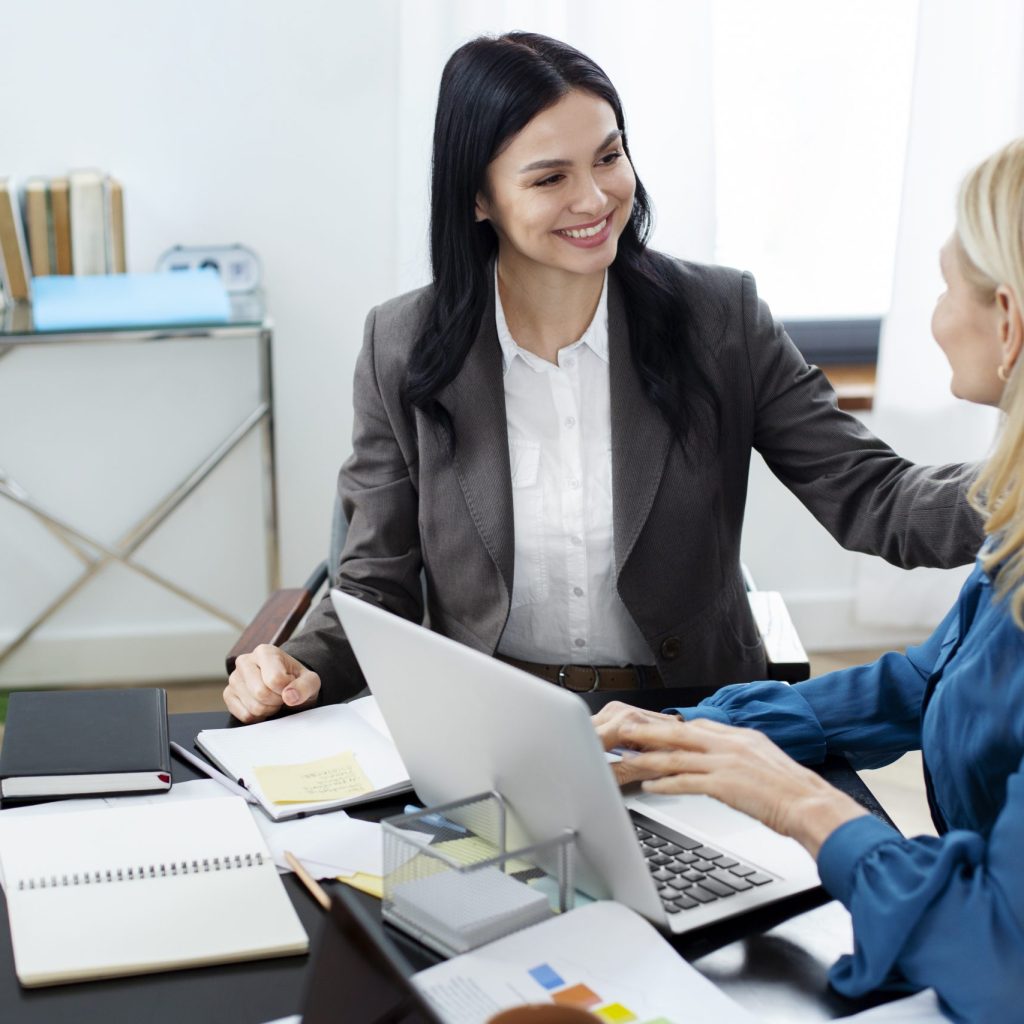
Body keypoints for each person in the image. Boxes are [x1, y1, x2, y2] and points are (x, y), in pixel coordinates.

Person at [224, 32, 980, 724]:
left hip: (694, 717)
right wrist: (297, 666)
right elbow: (374, 587)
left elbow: (874, 497)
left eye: (609, 157)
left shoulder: (719, 318)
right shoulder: (402, 343)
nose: (595, 199)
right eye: (551, 177)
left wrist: (1012, 489)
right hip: (493, 722)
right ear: (479, 198)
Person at [593, 138, 1024, 1024]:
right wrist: (703, 736)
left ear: (1009, 321)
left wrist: (798, 802)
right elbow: (928, 681)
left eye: (944, 289)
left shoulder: (716, 313)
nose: (936, 318)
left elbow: (1001, 955)